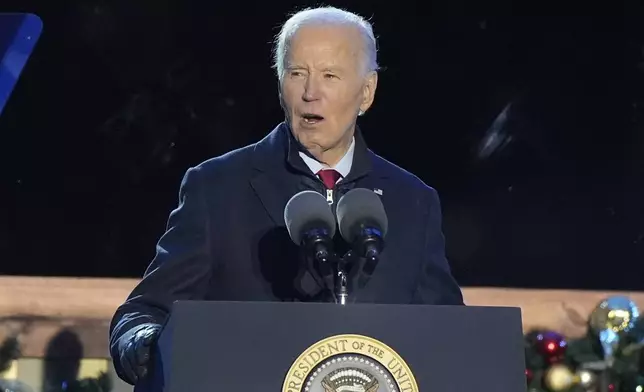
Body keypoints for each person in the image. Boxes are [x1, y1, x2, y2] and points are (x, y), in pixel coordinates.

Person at [109, 6, 464, 387]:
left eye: (329, 75)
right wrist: (142, 342)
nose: (311, 93)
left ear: (367, 92)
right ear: (281, 84)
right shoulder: (217, 188)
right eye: (297, 73)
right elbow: (145, 311)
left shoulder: (413, 201)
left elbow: (450, 335)